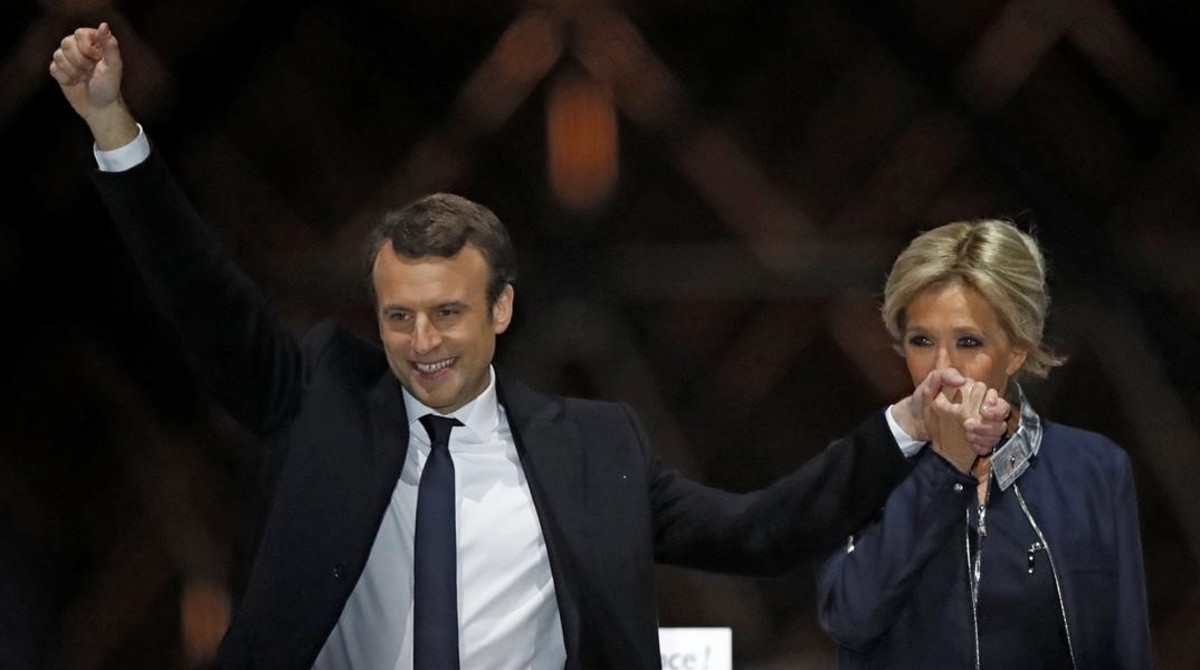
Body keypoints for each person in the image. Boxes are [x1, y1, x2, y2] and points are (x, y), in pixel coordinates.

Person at [50, 23, 1012, 669]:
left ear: (501, 309)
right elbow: (206, 304)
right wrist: (113, 128)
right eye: (398, 316)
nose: (422, 342)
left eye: (447, 314)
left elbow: (761, 532)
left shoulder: (596, 448)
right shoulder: (319, 397)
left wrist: (904, 427)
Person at [815, 219, 1153, 669]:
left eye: (968, 342)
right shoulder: (861, 466)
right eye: (922, 341)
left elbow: (1125, 650)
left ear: (1017, 350)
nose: (942, 367)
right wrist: (945, 465)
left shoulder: (1094, 468)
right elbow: (849, 618)